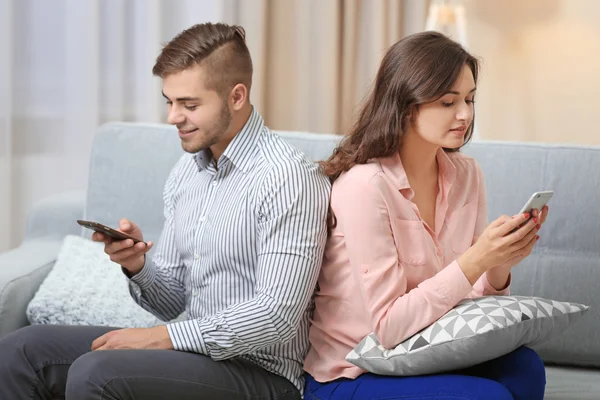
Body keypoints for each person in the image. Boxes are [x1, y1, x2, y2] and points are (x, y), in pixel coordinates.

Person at [0, 23, 330, 400]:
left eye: (189, 105)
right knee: (20, 352)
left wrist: (163, 338)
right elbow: (173, 302)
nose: (173, 117)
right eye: (169, 102)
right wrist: (137, 266)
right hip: (191, 354)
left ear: (236, 96)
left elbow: (277, 316)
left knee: (97, 374)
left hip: (263, 373)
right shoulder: (186, 173)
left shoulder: (289, 178)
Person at [303, 31, 549, 400]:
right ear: (407, 104)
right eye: (448, 102)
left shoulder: (467, 175)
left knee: (527, 370)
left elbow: (471, 306)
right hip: (357, 370)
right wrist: (475, 259)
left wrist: (499, 264)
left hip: (428, 353)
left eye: (469, 99)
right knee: (488, 397)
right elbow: (388, 327)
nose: (465, 114)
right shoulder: (365, 187)